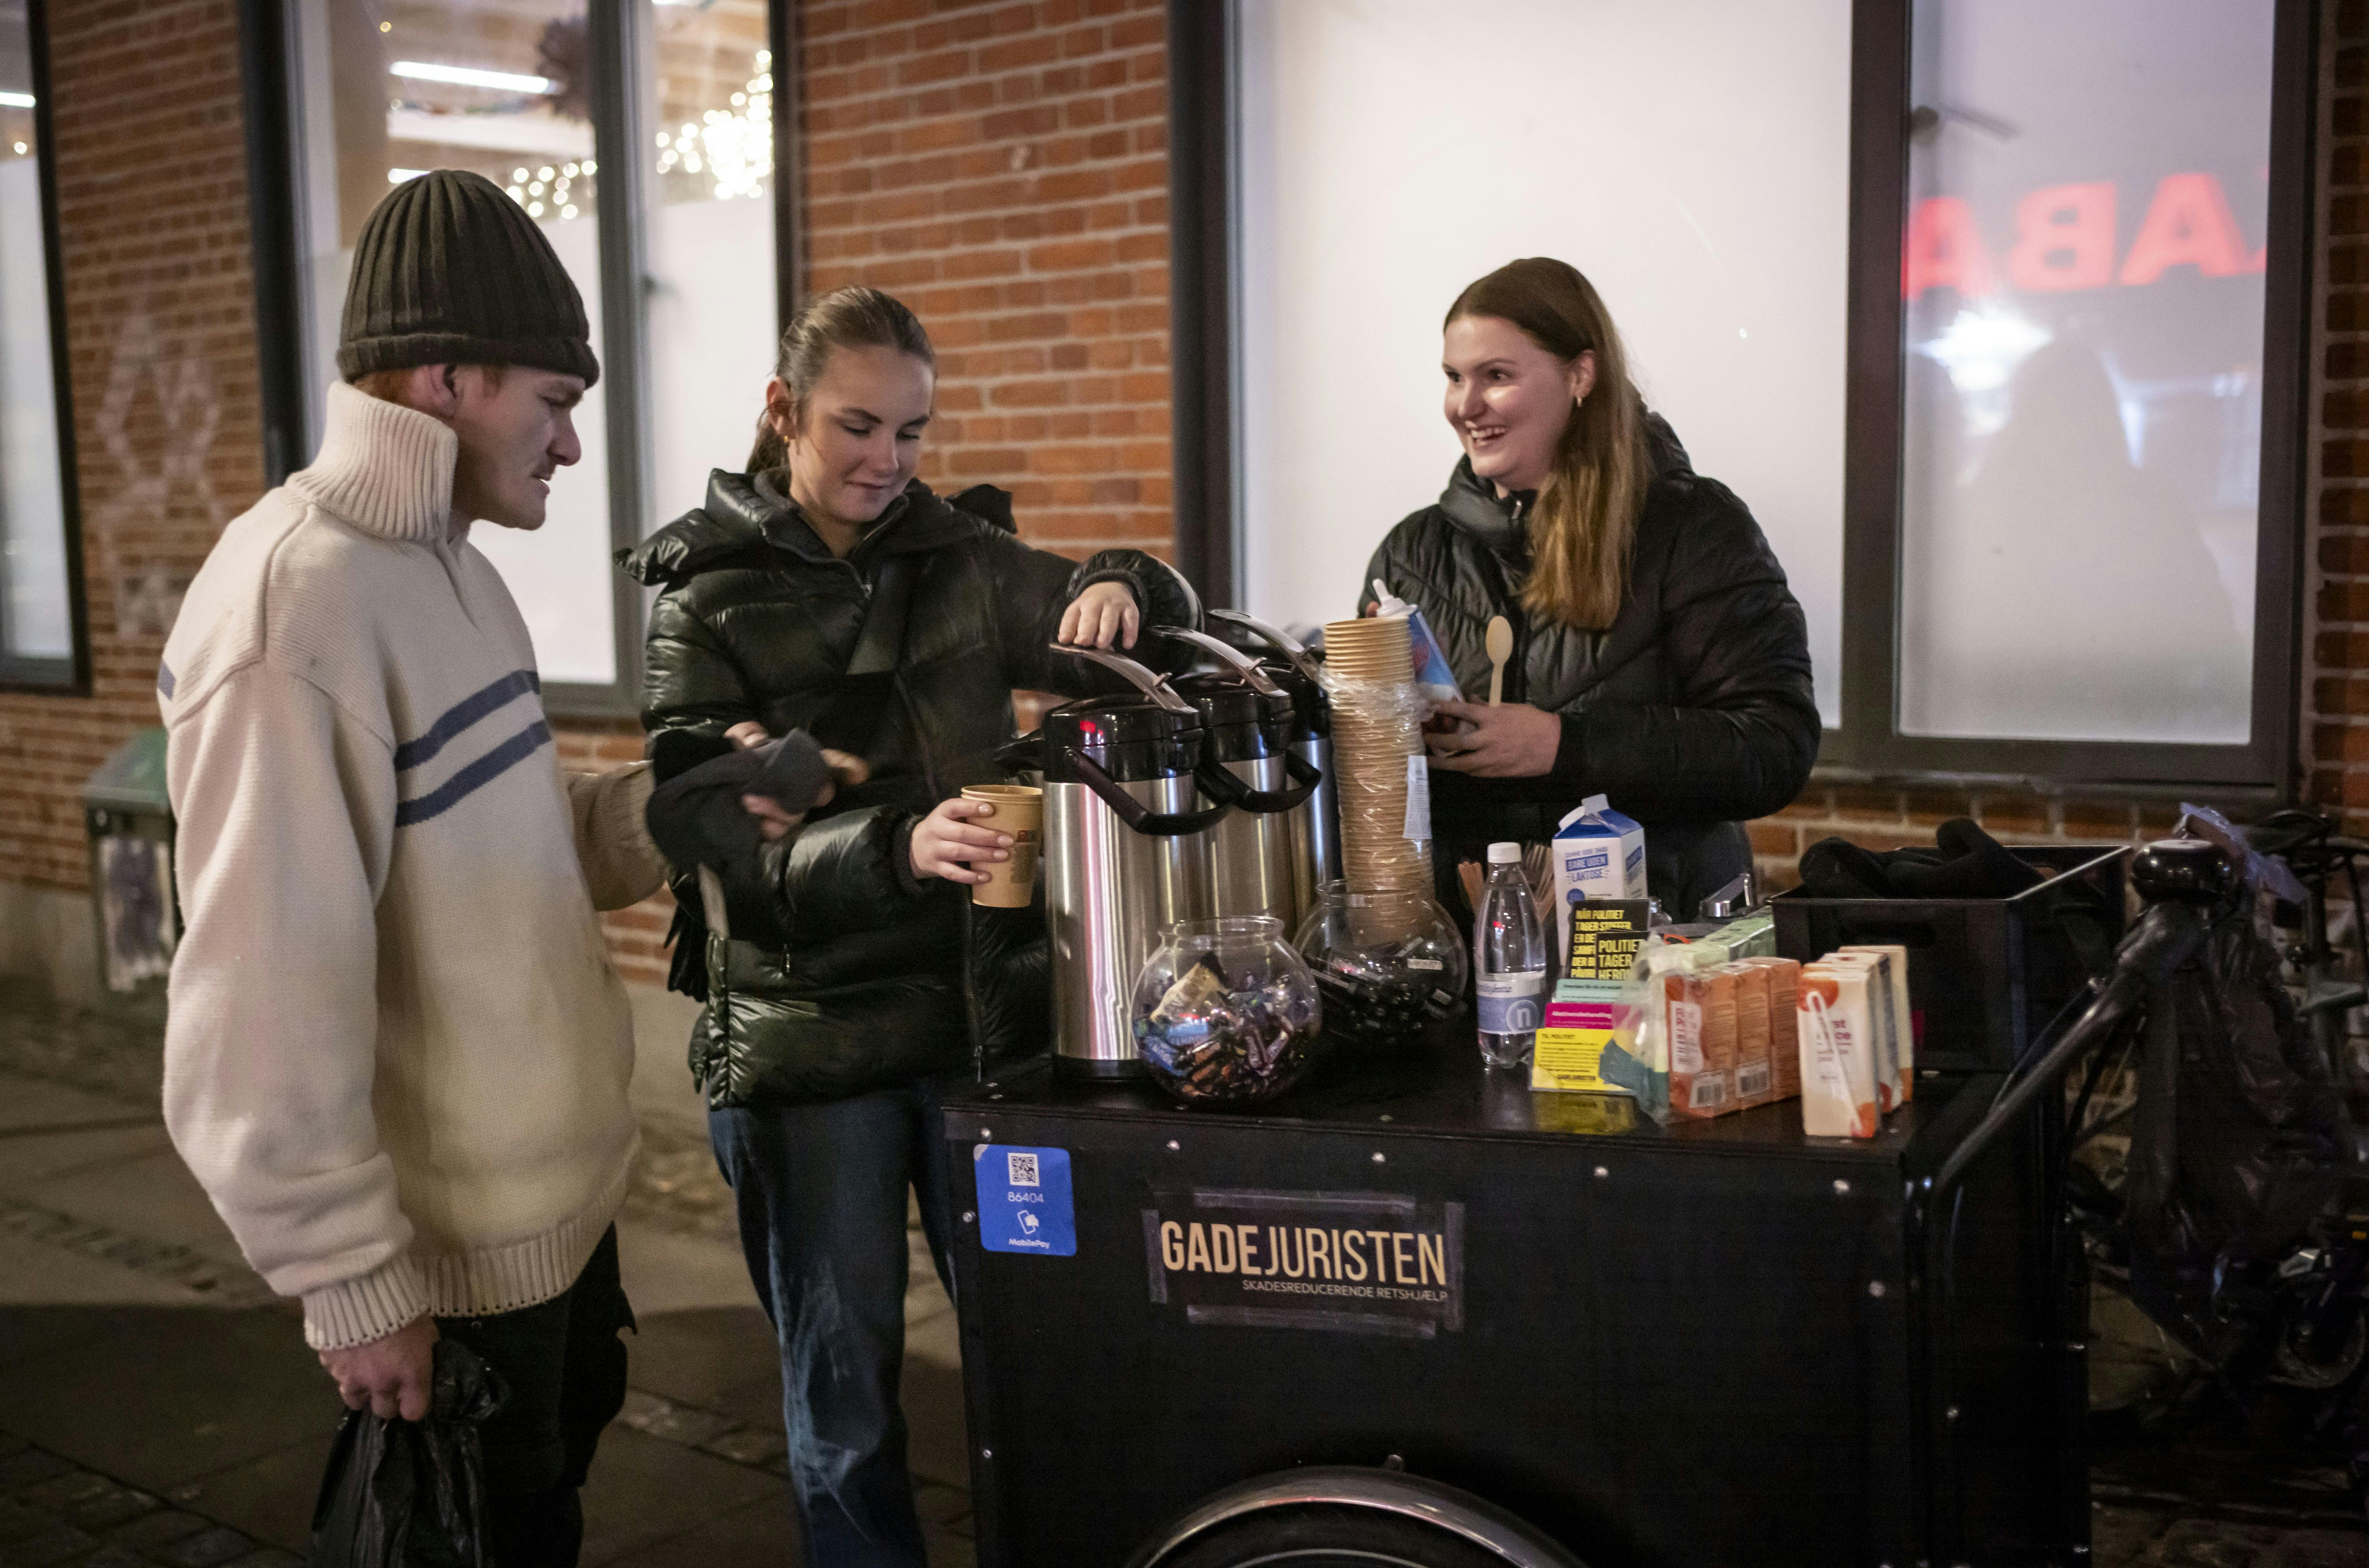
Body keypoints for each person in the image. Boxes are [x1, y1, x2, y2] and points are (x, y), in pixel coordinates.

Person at [618, 284, 1197, 1565]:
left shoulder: (962, 556)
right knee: (846, 1405)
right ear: (783, 413)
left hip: (977, 1028)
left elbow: (1155, 611)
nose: (888, 461)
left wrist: (1121, 580)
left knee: (1040, 1364)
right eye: (858, 427)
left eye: (914, 433)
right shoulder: (701, 596)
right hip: (808, 1041)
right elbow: (711, 849)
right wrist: (897, 843)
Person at [158, 169, 673, 1564]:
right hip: (448, 1277)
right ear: (446, 380)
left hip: (555, 1230)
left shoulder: (453, 567)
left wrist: (669, 813)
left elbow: (506, 855)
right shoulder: (294, 607)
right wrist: (351, 1279)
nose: (570, 445)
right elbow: (261, 993)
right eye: (553, 402)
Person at [1363, 256, 1820, 920]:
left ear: (1580, 376)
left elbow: (1774, 746)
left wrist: (1562, 746)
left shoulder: (1694, 527)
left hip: (1658, 939)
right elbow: (1378, 786)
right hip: (1469, 940)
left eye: (1497, 376)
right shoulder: (1413, 553)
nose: (1466, 406)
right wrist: (1378, 706)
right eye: (1455, 378)